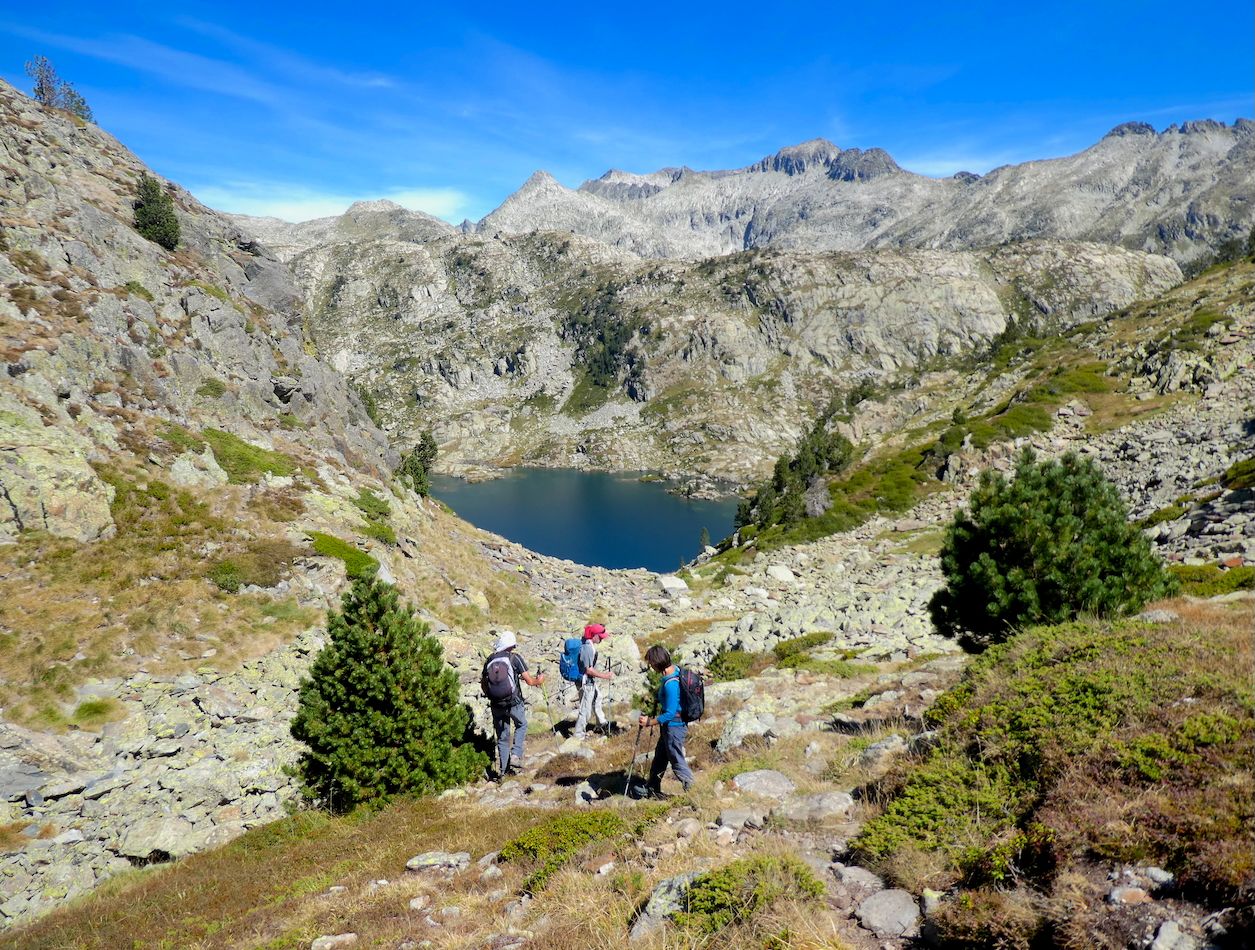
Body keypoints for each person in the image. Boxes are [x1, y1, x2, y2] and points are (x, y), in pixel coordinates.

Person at [482, 629, 545, 777]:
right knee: (521, 724)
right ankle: (516, 755)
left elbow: (484, 683)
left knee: (502, 737)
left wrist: (492, 695)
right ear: (511, 646)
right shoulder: (514, 658)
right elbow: (530, 681)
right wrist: (539, 680)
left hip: (496, 704)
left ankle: (504, 773)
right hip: (513, 702)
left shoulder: (489, 660)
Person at [639, 644, 694, 796]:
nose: (650, 666)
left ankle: (692, 790)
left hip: (674, 727)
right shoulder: (675, 670)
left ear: (657, 662)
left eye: (651, 663)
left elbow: (669, 713)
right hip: (671, 726)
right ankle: (652, 788)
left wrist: (649, 722)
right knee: (660, 757)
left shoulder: (671, 684)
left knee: (676, 760)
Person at [573, 623, 614, 739]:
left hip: (588, 681)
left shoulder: (588, 644)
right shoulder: (587, 648)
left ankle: (601, 723)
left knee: (598, 698)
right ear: (594, 635)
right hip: (585, 682)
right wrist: (605, 676)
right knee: (585, 709)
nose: (602, 639)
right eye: (600, 637)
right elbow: (588, 670)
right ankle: (579, 734)